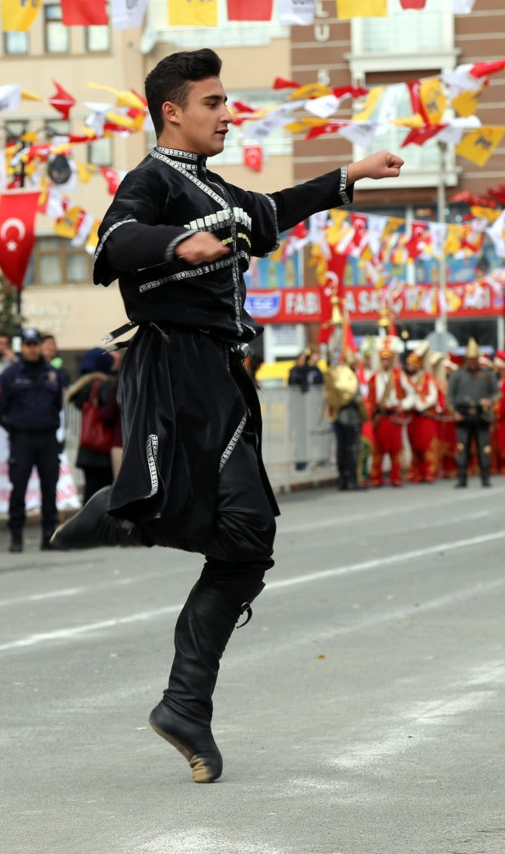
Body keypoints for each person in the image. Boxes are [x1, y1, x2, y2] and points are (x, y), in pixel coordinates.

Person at [49, 48, 403, 783]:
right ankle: (125, 512)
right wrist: (178, 241)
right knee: (237, 523)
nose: (226, 113)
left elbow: (269, 211)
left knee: (249, 538)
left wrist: (347, 179)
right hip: (174, 365)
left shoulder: (211, 184)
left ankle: (184, 703)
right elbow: (114, 244)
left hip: (220, 369)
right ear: (172, 111)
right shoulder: (151, 180)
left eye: (225, 101)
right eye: (212, 102)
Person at [0, 327, 64, 553]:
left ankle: (49, 536)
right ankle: (16, 536)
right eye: (28, 345)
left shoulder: (52, 374)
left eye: (35, 344)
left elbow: (57, 405)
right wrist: (14, 428)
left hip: (47, 439)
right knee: (19, 488)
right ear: (22, 347)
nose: (32, 349)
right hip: (22, 440)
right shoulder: (10, 375)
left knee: (50, 489)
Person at [67, 347, 120, 502]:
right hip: (102, 449)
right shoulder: (103, 385)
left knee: (90, 493)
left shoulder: (83, 385)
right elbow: (107, 414)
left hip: (87, 449)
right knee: (104, 494)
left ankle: (87, 525)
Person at [448, 337, 499, 488]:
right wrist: (454, 412)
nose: (472, 362)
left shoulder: (487, 375)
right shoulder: (457, 375)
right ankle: (462, 478)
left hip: (481, 415)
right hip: (463, 415)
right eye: (469, 359)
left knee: (484, 448)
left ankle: (485, 477)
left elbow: (496, 393)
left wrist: (489, 401)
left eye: (474, 359)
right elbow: (450, 395)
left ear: (478, 359)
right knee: (462, 447)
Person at [366, 336, 411, 488]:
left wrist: (403, 405)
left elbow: (412, 393)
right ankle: (376, 477)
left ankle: (395, 477)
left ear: (392, 360)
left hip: (394, 417)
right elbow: (370, 399)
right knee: (378, 448)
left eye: (388, 359)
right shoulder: (373, 378)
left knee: (395, 448)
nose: (385, 362)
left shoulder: (399, 376)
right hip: (380, 416)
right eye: (383, 359)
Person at [323, 353, 367, 491]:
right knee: (352, 450)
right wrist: (365, 416)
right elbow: (358, 399)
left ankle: (343, 480)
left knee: (341, 449)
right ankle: (352, 480)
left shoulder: (336, 378)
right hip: (351, 418)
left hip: (338, 417)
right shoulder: (350, 379)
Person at [402, 347, 439, 484]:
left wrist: (420, 405)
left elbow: (433, 397)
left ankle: (429, 472)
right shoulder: (407, 379)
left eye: (411, 365)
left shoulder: (428, 379)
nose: (409, 367)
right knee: (414, 445)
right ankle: (416, 472)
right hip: (413, 417)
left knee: (427, 445)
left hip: (425, 416)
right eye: (408, 364)